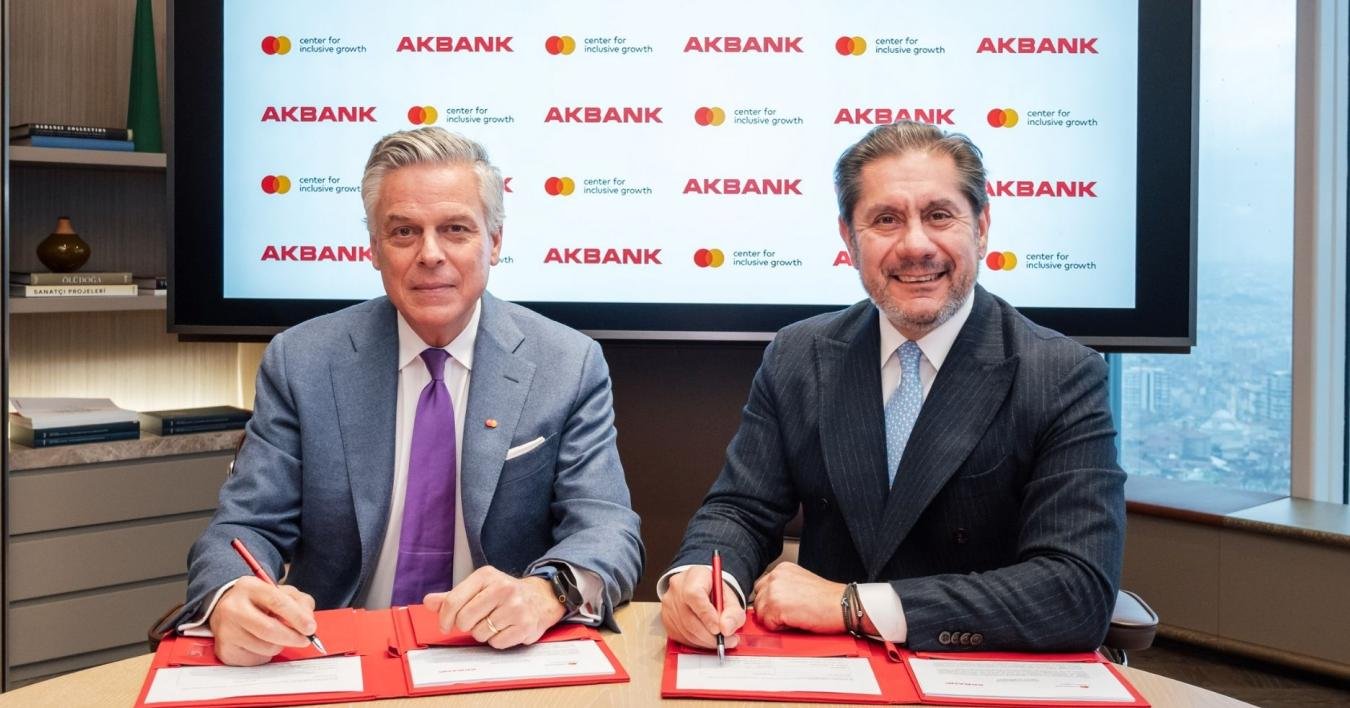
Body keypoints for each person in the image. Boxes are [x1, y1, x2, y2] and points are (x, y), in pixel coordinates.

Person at [164, 127, 644, 666]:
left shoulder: (567, 363)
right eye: (404, 232)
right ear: (374, 248)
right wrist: (230, 595)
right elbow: (243, 527)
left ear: (495, 242)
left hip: (499, 654)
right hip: (337, 654)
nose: (430, 254)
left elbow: (608, 528)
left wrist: (545, 593)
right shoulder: (302, 361)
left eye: (456, 229)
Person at [660, 121, 1125, 653]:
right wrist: (704, 577)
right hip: (826, 672)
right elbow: (740, 510)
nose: (915, 245)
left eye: (939, 215)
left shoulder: (1062, 374)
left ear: (981, 227)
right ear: (849, 240)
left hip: (977, 671)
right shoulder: (797, 355)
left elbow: (1075, 591)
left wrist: (854, 605)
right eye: (886, 220)